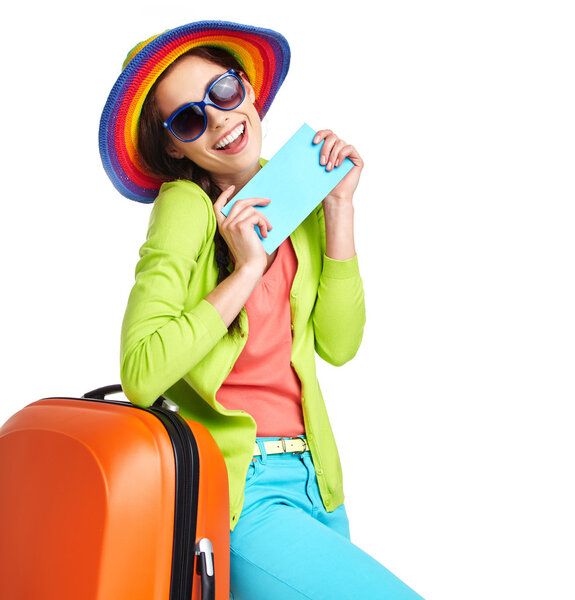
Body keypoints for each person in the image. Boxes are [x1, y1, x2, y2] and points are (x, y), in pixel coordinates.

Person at [99, 20, 425, 600]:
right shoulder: (186, 206)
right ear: (176, 145)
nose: (220, 119)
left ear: (247, 87)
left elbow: (340, 345)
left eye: (222, 92)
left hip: (318, 483)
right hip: (240, 491)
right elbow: (142, 371)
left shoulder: (294, 188)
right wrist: (245, 269)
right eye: (191, 118)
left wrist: (338, 212)